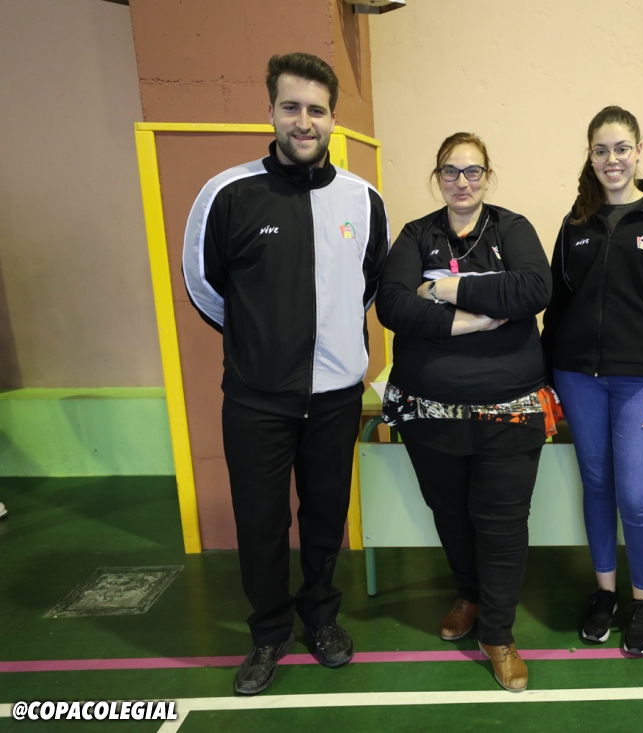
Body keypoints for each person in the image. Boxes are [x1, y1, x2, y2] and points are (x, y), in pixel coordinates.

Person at [182, 52, 389, 695]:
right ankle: (269, 633)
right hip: (257, 398)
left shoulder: (363, 200)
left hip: (335, 397)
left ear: (333, 119)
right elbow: (203, 285)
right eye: (291, 107)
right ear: (270, 111)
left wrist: (329, 346)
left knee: (325, 516)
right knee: (261, 522)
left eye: (316, 110)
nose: (304, 121)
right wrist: (262, 343)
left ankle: (321, 619)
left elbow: (367, 286)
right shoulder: (227, 193)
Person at [376, 132, 553, 692]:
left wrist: (443, 288)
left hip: (509, 410)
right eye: (450, 171)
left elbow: (532, 290)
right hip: (428, 409)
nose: (462, 182)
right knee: (450, 513)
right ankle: (469, 595)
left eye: (473, 171)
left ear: (487, 177)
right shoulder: (415, 234)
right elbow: (392, 304)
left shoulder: (512, 228)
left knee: (502, 523)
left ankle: (498, 634)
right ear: (437, 177)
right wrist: (470, 319)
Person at [541, 106, 643, 656]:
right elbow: (557, 306)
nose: (612, 159)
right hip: (577, 378)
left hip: (640, 383)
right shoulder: (575, 222)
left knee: (635, 496)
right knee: (598, 487)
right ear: (591, 156)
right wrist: (547, 373)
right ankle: (605, 593)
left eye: (622, 148)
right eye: (601, 150)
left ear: (638, 151)